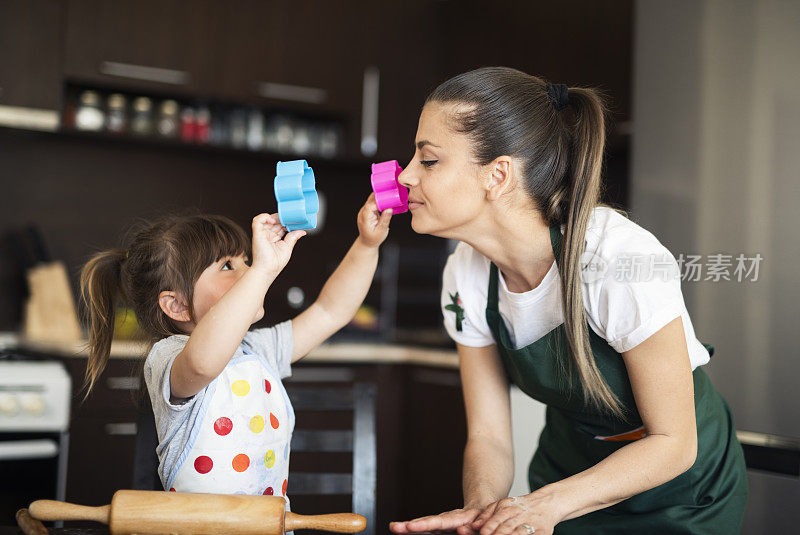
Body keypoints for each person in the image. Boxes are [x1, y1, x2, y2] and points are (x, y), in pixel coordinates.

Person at [389, 67, 747, 534]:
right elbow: (490, 436)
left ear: (498, 174)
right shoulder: (466, 273)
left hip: (681, 495)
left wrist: (545, 507)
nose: (406, 175)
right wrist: (483, 513)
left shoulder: (615, 259)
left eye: (429, 161)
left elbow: (674, 443)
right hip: (568, 473)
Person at [80, 196, 391, 502]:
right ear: (177, 305)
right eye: (228, 265)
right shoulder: (168, 357)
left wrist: (366, 245)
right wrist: (261, 273)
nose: (248, 270)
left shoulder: (257, 351)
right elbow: (203, 363)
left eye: (247, 261)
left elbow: (330, 311)